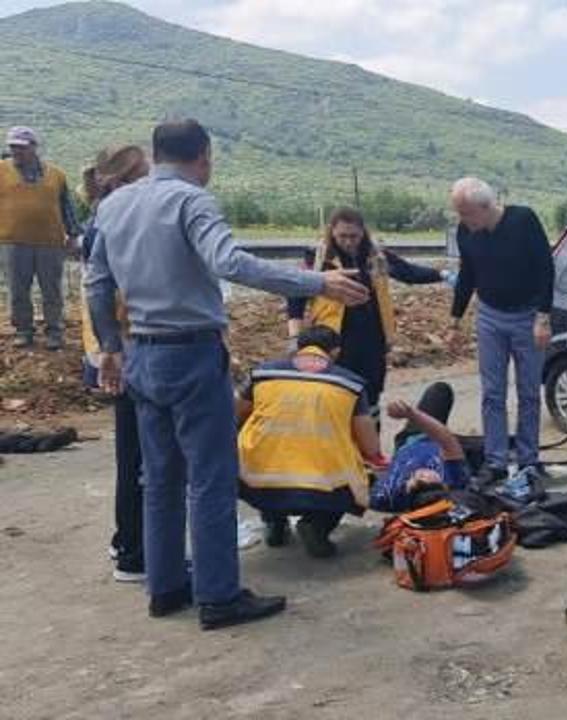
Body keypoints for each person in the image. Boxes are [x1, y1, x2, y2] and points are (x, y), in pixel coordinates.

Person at [85, 119, 369, 630]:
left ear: (156, 153)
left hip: (141, 353)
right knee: (210, 478)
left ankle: (165, 587)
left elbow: (96, 284)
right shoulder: (192, 201)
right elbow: (229, 262)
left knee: (159, 478)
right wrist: (317, 283)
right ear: (204, 156)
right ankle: (218, 596)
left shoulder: (114, 205)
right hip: (192, 353)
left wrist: (109, 347)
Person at [287, 207, 453, 421]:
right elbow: (295, 295)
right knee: (334, 394)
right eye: (342, 236)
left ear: (363, 232)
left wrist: (442, 274)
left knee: (370, 394)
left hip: (372, 338)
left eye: (354, 236)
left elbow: (408, 272)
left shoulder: (376, 256)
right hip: (333, 341)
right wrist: (294, 337)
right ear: (332, 231)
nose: (348, 242)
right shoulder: (317, 259)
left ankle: (370, 439)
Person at [236, 326, 380, 558]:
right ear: (335, 352)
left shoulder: (263, 373)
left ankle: (274, 522)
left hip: (257, 481)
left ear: (299, 347)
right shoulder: (350, 384)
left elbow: (235, 417)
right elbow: (371, 447)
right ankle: (317, 525)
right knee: (364, 474)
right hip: (322, 486)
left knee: (263, 455)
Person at [449, 177, 553, 484]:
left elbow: (546, 268)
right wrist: (455, 318)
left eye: (466, 213)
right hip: (490, 316)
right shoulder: (466, 231)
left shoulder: (523, 220)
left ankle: (528, 460)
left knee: (529, 393)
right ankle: (495, 461)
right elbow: (467, 274)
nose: (463, 220)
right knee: (492, 393)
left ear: (485, 206)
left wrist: (543, 317)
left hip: (528, 317)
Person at [79, 145, 150, 583]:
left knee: (133, 450)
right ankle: (134, 552)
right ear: (125, 180)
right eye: (145, 173)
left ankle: (127, 540)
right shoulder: (116, 220)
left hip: (116, 347)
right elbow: (105, 292)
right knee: (141, 454)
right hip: (129, 348)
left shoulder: (102, 219)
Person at [1, 126, 81, 350]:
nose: (16, 151)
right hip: (12, 241)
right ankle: (23, 331)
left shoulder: (57, 175)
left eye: (21, 147)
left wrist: (73, 235)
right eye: (13, 147)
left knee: (51, 290)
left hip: (50, 242)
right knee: (18, 290)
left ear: (34, 147)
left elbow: (67, 207)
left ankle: (55, 331)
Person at [371, 383, 471, 513]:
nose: (423, 475)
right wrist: (412, 414)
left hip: (414, 439)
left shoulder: (384, 497)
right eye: (432, 483)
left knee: (438, 390)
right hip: (449, 445)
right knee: (493, 452)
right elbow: (446, 440)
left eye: (418, 483)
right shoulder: (453, 481)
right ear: (444, 486)